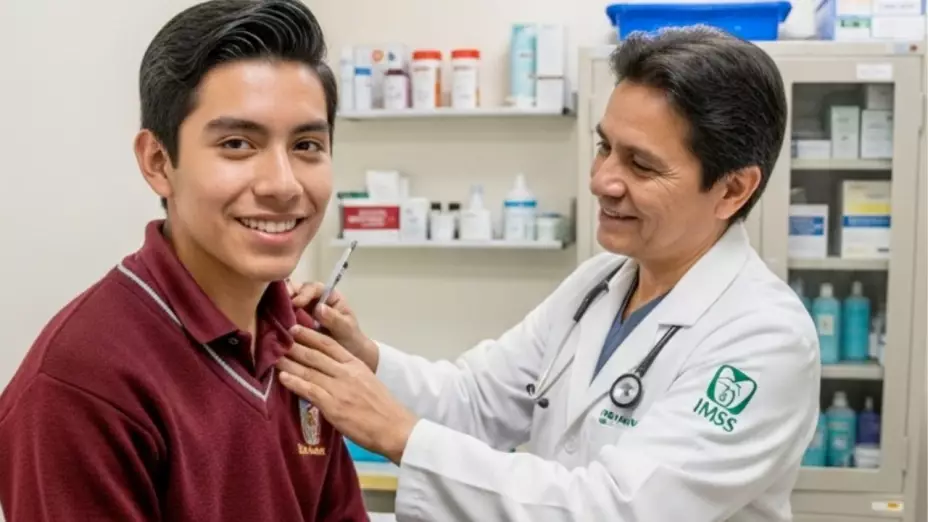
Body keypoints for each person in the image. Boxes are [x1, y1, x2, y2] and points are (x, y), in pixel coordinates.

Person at [278, 26, 822, 521]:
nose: (602, 179)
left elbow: (615, 509)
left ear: (732, 189)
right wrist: (365, 357)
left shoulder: (765, 338)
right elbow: (476, 398)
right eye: (605, 147)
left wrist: (401, 437)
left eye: (641, 165)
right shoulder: (600, 284)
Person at [0, 1, 368, 520]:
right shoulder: (81, 384)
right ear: (157, 162)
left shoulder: (300, 345)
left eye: (307, 144)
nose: (284, 185)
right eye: (238, 144)